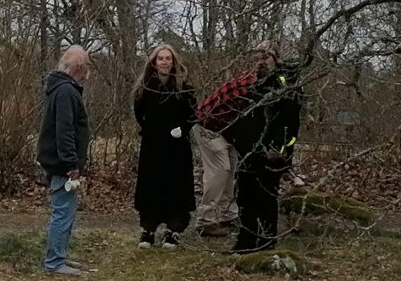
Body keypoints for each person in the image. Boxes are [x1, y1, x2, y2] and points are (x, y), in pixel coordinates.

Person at [211, 41, 304, 253]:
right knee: (244, 198)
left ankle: (266, 245)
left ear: (276, 58)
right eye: (257, 55)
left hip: (271, 155)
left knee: (265, 199)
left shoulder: (285, 84)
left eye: (266, 55)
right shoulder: (252, 83)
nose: (260, 59)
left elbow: (290, 123)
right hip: (247, 152)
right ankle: (245, 243)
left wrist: (281, 150)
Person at [130, 44, 196, 247]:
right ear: (154, 62)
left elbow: (193, 114)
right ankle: (148, 230)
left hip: (177, 148)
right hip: (152, 146)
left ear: (174, 62)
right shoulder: (146, 86)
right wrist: (151, 129)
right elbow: (139, 112)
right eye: (161, 58)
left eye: (168, 58)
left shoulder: (184, 87)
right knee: (151, 187)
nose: (165, 62)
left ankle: (173, 231)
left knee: (175, 187)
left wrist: (182, 129)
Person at [35, 45, 93, 275]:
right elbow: (65, 130)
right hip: (62, 164)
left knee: (66, 210)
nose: (89, 69)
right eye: (87, 64)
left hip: (60, 161)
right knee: (62, 212)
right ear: (79, 67)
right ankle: (55, 262)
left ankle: (60, 257)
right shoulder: (66, 92)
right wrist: (71, 163)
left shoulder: (62, 89)